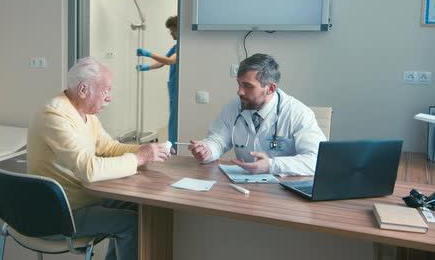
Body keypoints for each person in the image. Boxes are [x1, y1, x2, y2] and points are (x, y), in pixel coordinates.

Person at [27, 57, 173, 260]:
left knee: (141, 207)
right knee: (131, 223)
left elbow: (109, 147)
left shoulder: (85, 113)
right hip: (58, 214)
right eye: (106, 90)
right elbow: (88, 169)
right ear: (84, 90)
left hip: (81, 200)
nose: (109, 98)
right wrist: (138, 158)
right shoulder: (54, 116)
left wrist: (147, 150)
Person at [187, 53, 326, 176]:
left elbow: (317, 160)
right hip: (243, 188)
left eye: (247, 86)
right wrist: (208, 150)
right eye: (239, 84)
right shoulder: (233, 107)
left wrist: (271, 165)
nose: (239, 92)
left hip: (283, 192)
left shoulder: (297, 113)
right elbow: (218, 140)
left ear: (270, 88)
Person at [136, 15, 178, 146]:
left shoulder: (183, 46)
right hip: (173, 85)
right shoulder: (176, 46)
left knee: (174, 118)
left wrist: (148, 54)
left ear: (179, 29)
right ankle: (171, 143)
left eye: (172, 30)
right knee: (172, 115)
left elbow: (171, 61)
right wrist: (147, 67)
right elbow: (162, 62)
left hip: (178, 87)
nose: (171, 34)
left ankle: (173, 145)